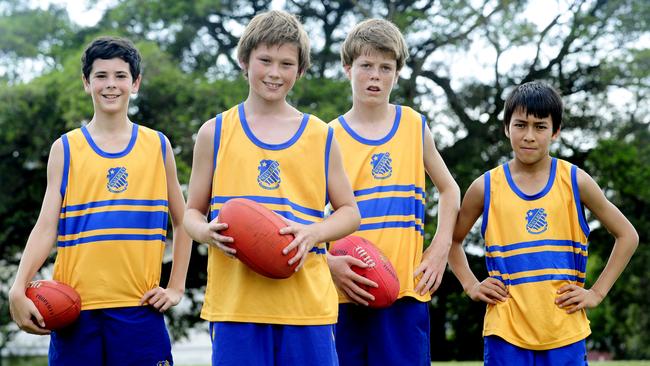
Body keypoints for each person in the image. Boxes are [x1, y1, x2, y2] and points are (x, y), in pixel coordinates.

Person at [183, 10, 360, 366]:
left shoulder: (320, 135)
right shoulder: (213, 133)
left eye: (286, 63)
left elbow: (349, 213)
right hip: (236, 308)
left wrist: (314, 232)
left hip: (306, 306)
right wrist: (206, 232)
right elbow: (190, 213)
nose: (275, 73)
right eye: (265, 60)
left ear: (300, 70)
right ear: (244, 61)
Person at [8, 36, 192, 366]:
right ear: (86, 83)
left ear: (135, 83)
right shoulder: (65, 149)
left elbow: (183, 221)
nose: (111, 85)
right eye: (101, 76)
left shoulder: (157, 146)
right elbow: (46, 226)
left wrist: (176, 287)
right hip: (74, 312)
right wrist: (18, 287)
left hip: (139, 309)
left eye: (120, 76)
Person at [447, 81, 638, 365]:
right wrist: (471, 285)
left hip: (564, 330)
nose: (529, 136)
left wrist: (596, 293)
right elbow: (450, 239)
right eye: (520, 125)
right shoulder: (485, 187)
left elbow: (627, 235)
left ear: (555, 131)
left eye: (540, 126)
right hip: (505, 332)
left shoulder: (575, 181)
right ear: (506, 128)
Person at [327, 19, 460, 366]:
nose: (375, 75)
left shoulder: (414, 126)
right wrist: (327, 263)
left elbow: (449, 189)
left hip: (404, 291)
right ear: (347, 69)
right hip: (346, 292)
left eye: (385, 67)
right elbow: (306, 215)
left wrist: (440, 248)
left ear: (397, 74)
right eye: (366, 66)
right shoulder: (327, 136)